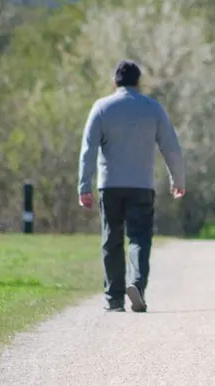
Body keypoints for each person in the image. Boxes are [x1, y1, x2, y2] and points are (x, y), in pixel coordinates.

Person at [78, 59, 185, 313]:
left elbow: (88, 149)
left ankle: (114, 299)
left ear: (115, 81)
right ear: (138, 82)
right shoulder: (153, 108)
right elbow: (171, 147)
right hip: (141, 185)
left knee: (111, 239)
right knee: (139, 238)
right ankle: (136, 283)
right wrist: (178, 180)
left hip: (110, 185)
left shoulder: (102, 107)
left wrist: (84, 186)